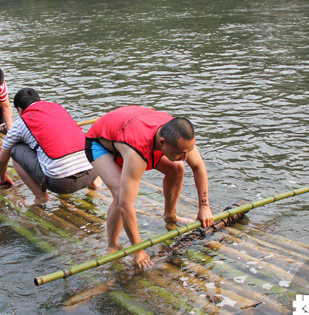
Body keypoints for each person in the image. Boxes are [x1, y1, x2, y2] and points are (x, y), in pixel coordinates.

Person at [85, 106, 214, 270]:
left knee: (177, 168)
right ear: (162, 143)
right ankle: (112, 245)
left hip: (129, 128)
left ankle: (170, 217)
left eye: (188, 150)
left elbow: (199, 167)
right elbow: (126, 205)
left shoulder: (179, 136)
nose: (186, 157)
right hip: (101, 143)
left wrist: (204, 207)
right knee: (120, 194)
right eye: (181, 152)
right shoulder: (136, 152)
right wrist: (138, 249)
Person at [0, 88, 101, 204]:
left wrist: (3, 179)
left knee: (15, 149)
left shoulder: (20, 124)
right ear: (40, 100)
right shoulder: (58, 108)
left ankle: (41, 197)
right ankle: (95, 183)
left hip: (62, 184)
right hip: (94, 171)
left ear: (19, 110)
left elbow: (1, 160)